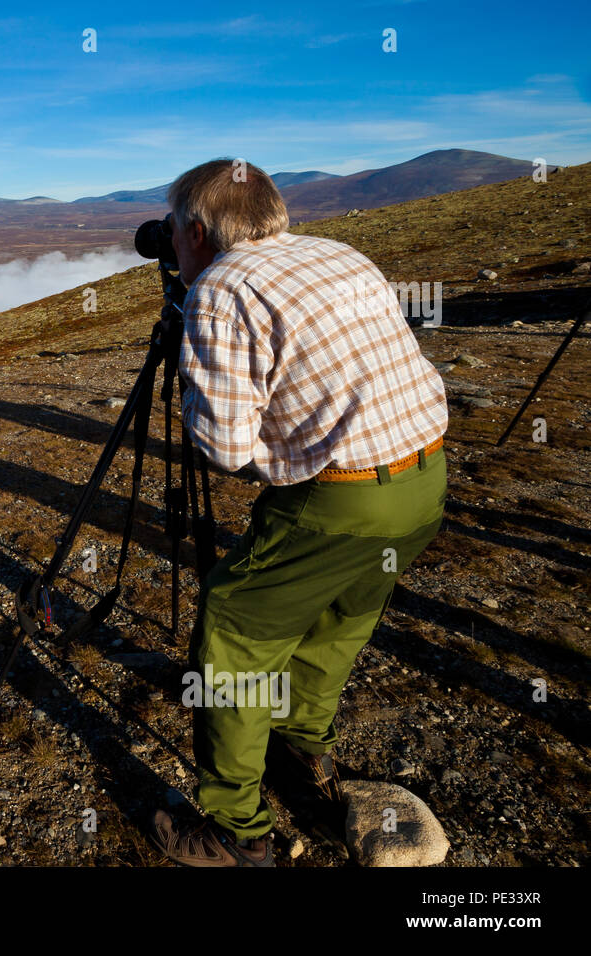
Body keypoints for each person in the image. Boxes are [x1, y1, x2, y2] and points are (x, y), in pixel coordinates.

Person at [150, 158, 448, 866]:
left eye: (172, 231)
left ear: (196, 230)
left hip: (340, 498)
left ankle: (235, 831)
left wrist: (196, 372)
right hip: (427, 478)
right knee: (336, 623)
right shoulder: (338, 253)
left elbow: (224, 447)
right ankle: (303, 749)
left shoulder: (220, 288)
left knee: (234, 638)